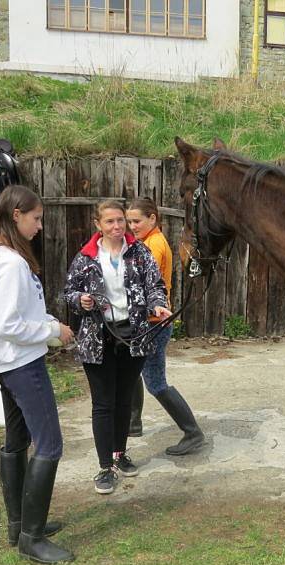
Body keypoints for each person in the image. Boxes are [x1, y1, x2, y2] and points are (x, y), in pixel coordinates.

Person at [0, 184, 75, 564]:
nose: (39, 226)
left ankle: (19, 525)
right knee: (49, 444)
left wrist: (51, 322)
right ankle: (32, 539)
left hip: (5, 363)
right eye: (36, 219)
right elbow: (8, 324)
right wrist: (52, 333)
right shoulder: (11, 262)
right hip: (21, 364)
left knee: (17, 440)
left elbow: (18, 313)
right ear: (17, 215)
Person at [64, 200, 172, 495]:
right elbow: (68, 291)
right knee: (103, 403)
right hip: (96, 339)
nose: (116, 226)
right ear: (98, 225)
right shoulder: (85, 257)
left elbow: (155, 286)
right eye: (110, 221)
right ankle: (104, 467)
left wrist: (159, 305)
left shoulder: (140, 252)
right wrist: (80, 300)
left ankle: (119, 454)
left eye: (121, 221)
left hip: (133, 336)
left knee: (124, 399)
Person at [126, 199, 205, 454]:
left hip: (154, 325)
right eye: (129, 221)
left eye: (136, 221)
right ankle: (133, 423)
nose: (132, 226)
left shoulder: (154, 246)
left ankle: (192, 433)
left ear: (153, 218)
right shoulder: (147, 242)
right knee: (132, 373)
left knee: (156, 383)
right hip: (148, 323)